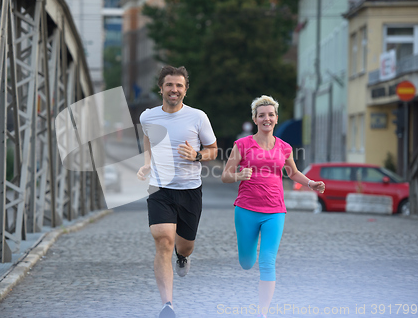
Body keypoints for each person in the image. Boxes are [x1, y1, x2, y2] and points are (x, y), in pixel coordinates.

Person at [221, 95, 325, 318]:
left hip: (275, 211)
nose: (266, 118)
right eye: (261, 115)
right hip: (246, 209)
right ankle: (247, 259)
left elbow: (293, 172)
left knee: (267, 261)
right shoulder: (242, 145)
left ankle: (263, 312)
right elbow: (225, 176)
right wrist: (239, 175)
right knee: (247, 262)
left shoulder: (285, 148)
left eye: (270, 115)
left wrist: (310, 183)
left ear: (276, 118)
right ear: (255, 119)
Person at [137, 66, 218, 318]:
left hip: (189, 190)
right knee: (163, 241)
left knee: (184, 246)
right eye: (170, 85)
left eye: (179, 86)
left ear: (185, 89)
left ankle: (182, 258)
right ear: (160, 88)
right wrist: (147, 162)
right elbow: (147, 139)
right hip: (160, 188)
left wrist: (196, 155)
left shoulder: (198, 117)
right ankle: (167, 305)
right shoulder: (147, 117)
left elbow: (213, 150)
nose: (174, 90)